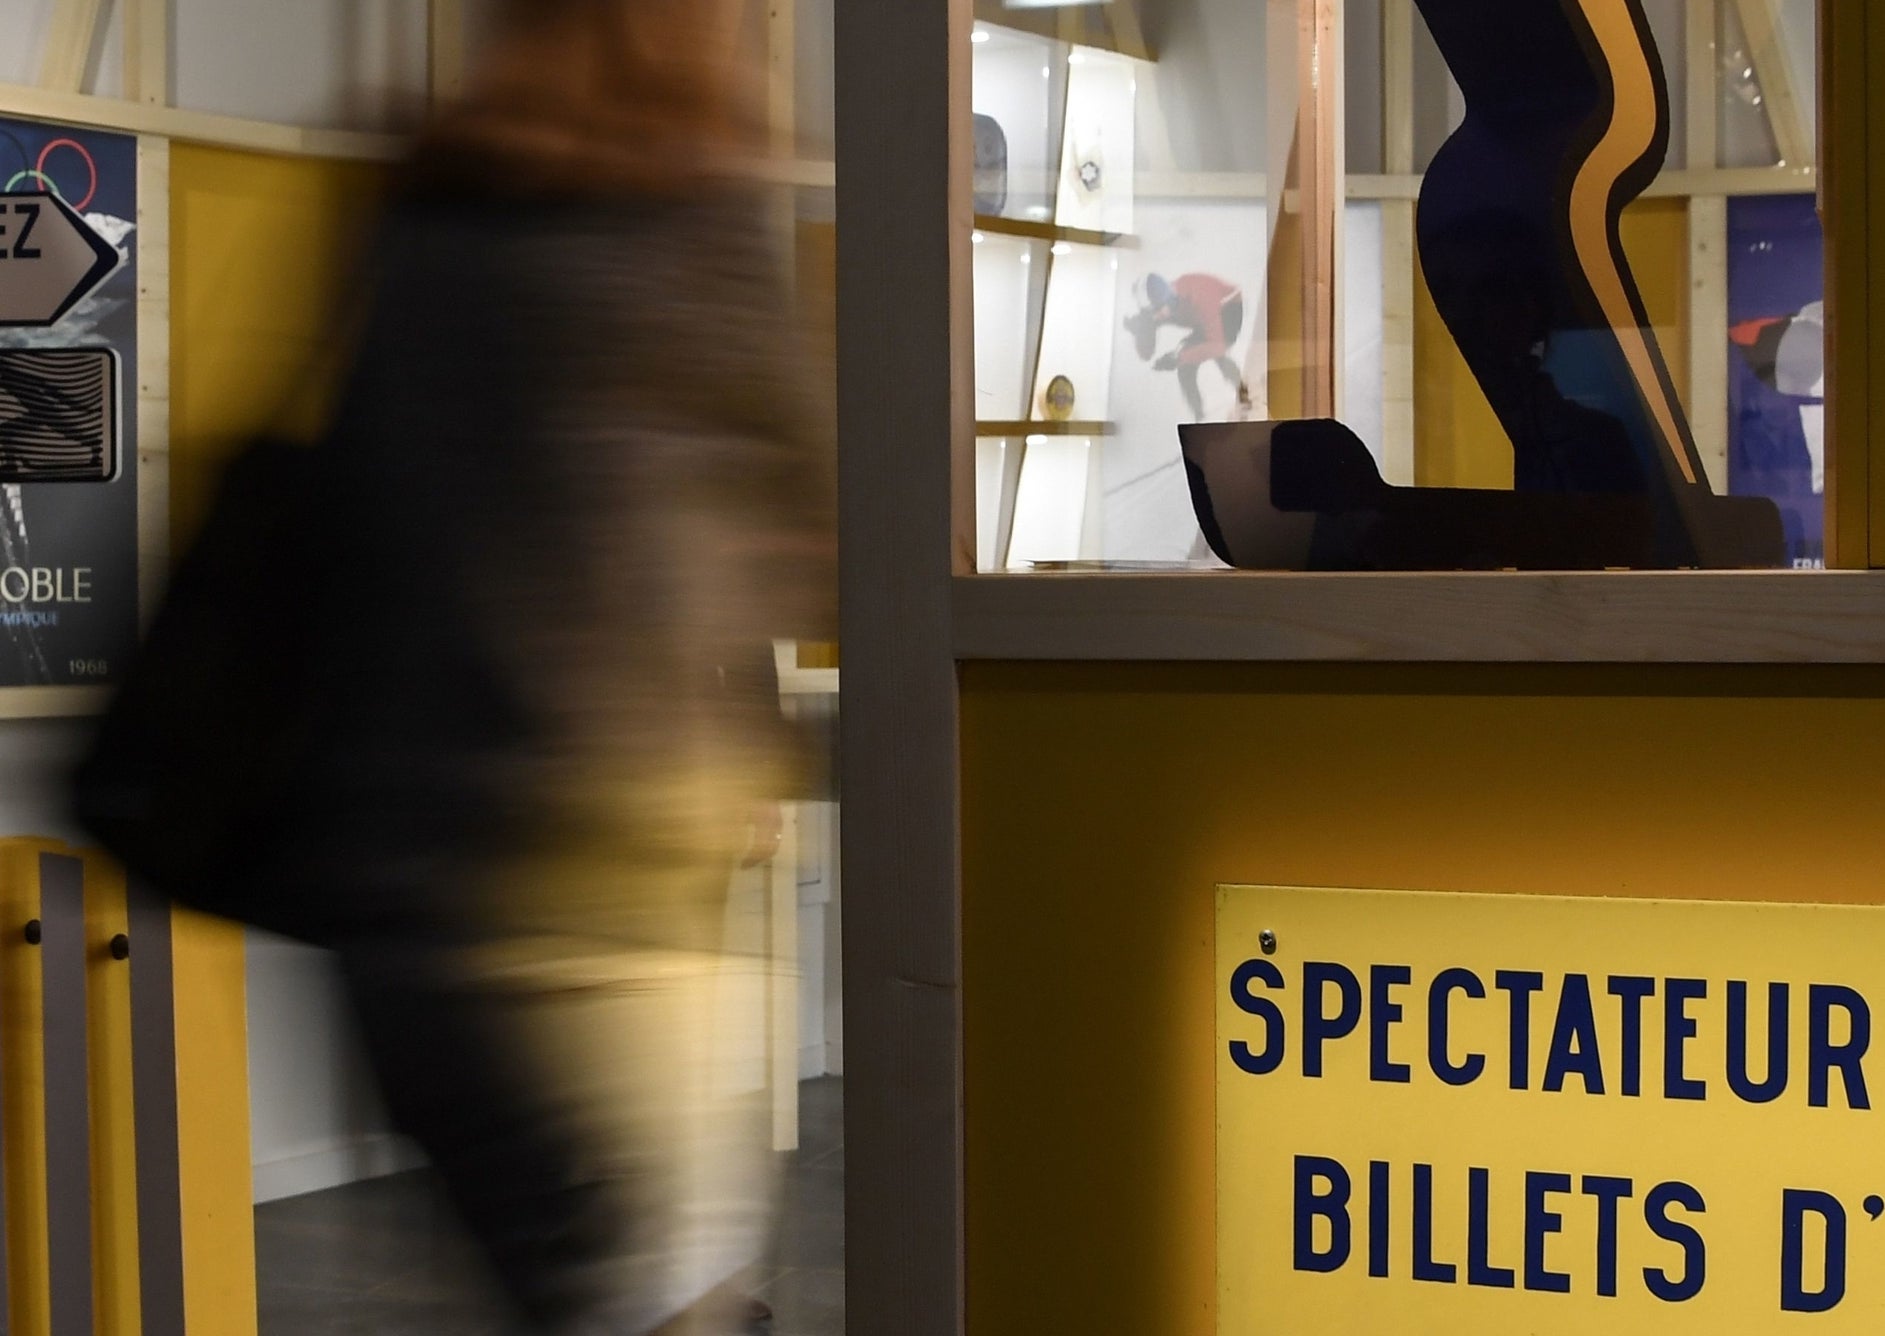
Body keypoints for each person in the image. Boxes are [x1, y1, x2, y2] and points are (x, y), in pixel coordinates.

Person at [270, 2, 834, 1330]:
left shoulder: (419, 211)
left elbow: (362, 512)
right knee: (670, 1292)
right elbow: (801, 509)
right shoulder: (685, 219)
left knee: (564, 1280)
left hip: (405, 895)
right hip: (609, 864)